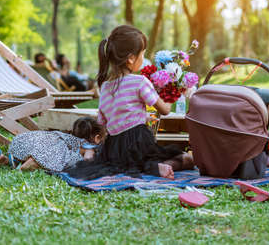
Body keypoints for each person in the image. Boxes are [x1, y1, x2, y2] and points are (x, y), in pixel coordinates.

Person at [65, 25, 194, 180]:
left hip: (114, 149)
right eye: (142, 54)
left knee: (127, 164)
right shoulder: (140, 81)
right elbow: (165, 110)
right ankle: (155, 167)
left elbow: (103, 122)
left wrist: (138, 118)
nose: (143, 59)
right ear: (131, 58)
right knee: (188, 159)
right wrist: (175, 88)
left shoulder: (105, 86)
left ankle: (145, 166)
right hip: (140, 144)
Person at [0, 117, 105, 172]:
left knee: (43, 151)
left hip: (24, 140)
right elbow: (88, 161)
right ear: (97, 138)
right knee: (54, 157)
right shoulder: (90, 147)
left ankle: (5, 160)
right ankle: (24, 166)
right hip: (45, 148)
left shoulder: (67, 136)